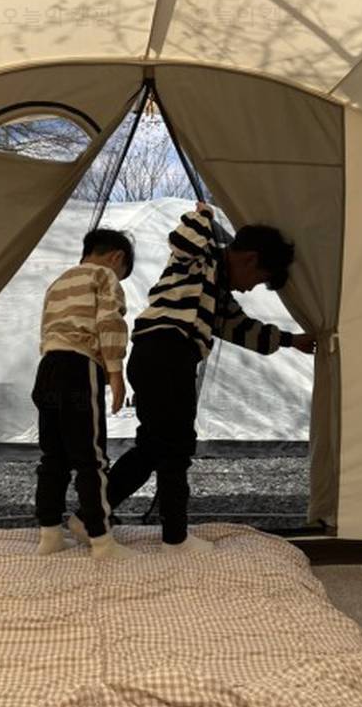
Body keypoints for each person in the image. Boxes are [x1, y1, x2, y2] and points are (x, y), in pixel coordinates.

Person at [69, 203, 316, 554]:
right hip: (165, 351)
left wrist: (292, 340)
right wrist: (203, 215)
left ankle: (90, 516)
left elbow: (245, 330)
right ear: (250, 259)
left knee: (154, 446)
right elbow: (182, 240)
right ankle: (175, 537)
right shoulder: (198, 260)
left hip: (161, 358)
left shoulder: (219, 297)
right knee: (176, 447)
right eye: (258, 280)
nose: (251, 289)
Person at [32, 227, 135, 560]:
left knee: (53, 457)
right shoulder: (104, 276)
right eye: (123, 272)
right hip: (78, 367)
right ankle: (101, 541)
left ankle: (50, 534)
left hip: (47, 368)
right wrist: (115, 373)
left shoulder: (58, 283)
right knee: (91, 458)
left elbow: (47, 330)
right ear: (117, 257)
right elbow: (110, 322)